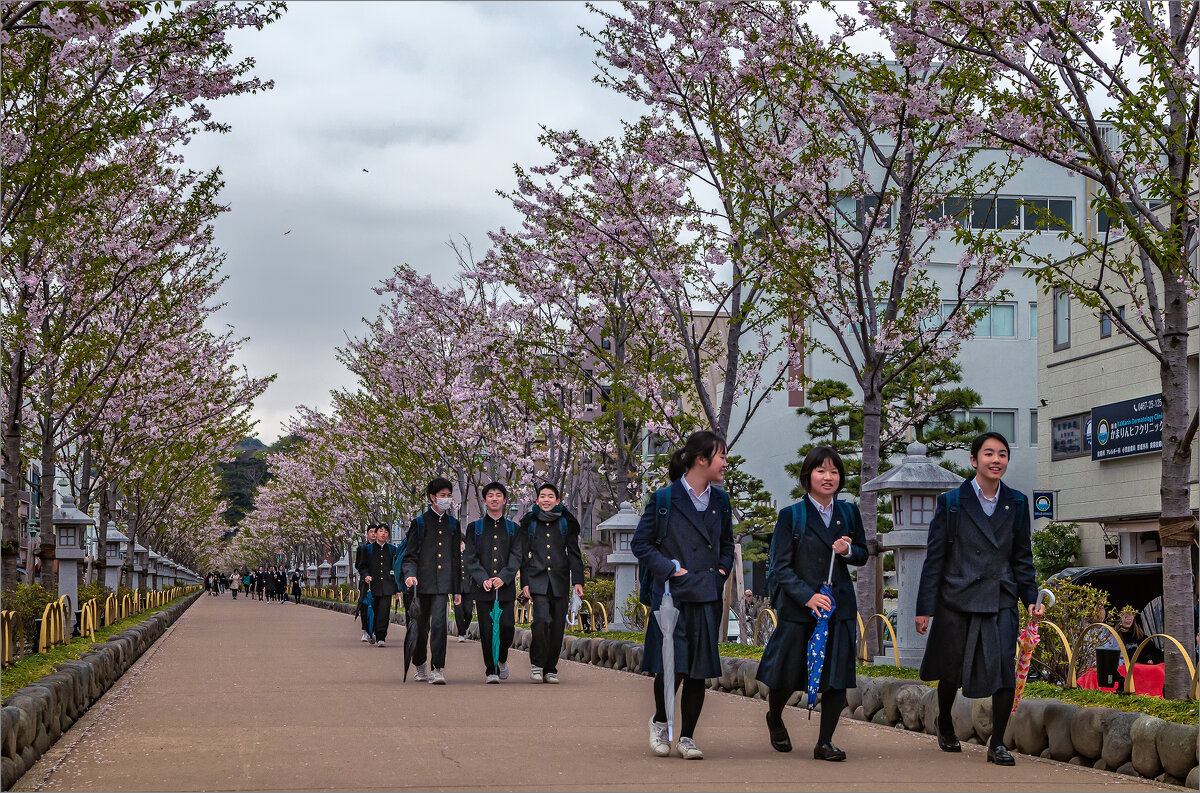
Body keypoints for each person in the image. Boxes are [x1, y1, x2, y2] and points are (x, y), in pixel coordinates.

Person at [916, 431, 1042, 767]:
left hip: (1000, 597)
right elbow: (935, 558)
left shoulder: (1016, 503)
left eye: (1002, 454)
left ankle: (997, 743)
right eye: (989, 454)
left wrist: (1030, 597)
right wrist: (924, 608)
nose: (996, 460)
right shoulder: (951, 502)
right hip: (957, 595)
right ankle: (945, 721)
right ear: (974, 460)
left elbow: (1022, 557)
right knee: (952, 669)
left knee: (1004, 668)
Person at [756, 446, 868, 761]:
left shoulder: (848, 513)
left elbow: (862, 553)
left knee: (836, 677)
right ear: (808, 476)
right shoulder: (792, 516)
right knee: (786, 675)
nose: (828, 477)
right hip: (799, 609)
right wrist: (808, 596)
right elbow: (780, 567)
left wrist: (848, 549)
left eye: (834, 471)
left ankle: (825, 742)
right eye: (821, 471)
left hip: (838, 607)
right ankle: (775, 716)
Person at [631, 430, 734, 760]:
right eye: (721, 456)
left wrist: (721, 572)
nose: (725, 463)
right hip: (671, 596)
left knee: (698, 671)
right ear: (702, 459)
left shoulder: (720, 501)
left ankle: (687, 736)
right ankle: (661, 721)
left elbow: (727, 544)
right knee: (669, 666)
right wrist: (669, 568)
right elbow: (641, 544)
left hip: (706, 594)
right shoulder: (664, 499)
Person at [519, 482, 585, 685]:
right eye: (542, 496)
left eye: (550, 496)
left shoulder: (566, 523)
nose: (546, 499)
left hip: (560, 580)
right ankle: (537, 665)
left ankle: (550, 668)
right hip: (537, 579)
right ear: (537, 500)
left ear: (557, 501)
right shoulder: (530, 522)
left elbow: (574, 553)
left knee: (557, 625)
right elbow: (523, 556)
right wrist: (524, 583)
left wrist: (578, 581)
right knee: (541, 621)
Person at [402, 478, 463, 684]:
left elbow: (456, 558)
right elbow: (409, 556)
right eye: (442, 496)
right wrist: (410, 574)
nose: (446, 499)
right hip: (421, 585)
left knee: (439, 624)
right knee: (420, 628)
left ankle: (438, 668)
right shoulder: (419, 523)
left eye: (448, 496)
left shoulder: (454, 525)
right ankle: (420, 664)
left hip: (443, 585)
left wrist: (457, 588)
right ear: (432, 497)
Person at [463, 482, 523, 683]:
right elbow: (470, 557)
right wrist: (482, 578)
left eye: (499, 495)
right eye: (490, 495)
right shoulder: (475, 528)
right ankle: (491, 670)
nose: (495, 498)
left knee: (507, 627)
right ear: (484, 500)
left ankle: (502, 658)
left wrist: (504, 577)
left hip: (505, 589)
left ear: (505, 500)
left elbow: (516, 556)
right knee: (487, 630)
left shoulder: (513, 528)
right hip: (483, 589)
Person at [357, 523, 400, 647]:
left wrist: (397, 589)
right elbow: (362, 566)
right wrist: (366, 575)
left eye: (386, 532)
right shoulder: (367, 549)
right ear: (375, 533)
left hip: (387, 586)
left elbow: (395, 569)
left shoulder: (392, 550)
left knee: (384, 612)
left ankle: (381, 637)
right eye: (380, 531)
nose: (383, 533)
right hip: (372, 586)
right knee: (373, 611)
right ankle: (372, 632)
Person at [355, 525, 379, 640]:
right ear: (367, 534)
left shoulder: (381, 548)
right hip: (365, 582)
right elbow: (358, 565)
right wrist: (365, 575)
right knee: (364, 606)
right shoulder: (362, 548)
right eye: (371, 532)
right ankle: (365, 630)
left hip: (378, 582)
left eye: (375, 532)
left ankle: (374, 630)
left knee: (377, 606)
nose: (373, 534)